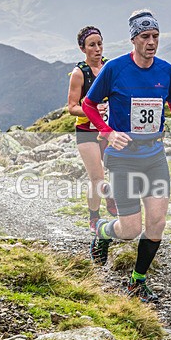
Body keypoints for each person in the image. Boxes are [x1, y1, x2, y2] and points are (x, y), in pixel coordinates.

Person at [84, 9, 171, 303]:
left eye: (155, 36)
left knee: (157, 222)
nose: (151, 42)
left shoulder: (165, 70)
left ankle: (138, 280)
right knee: (130, 229)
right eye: (145, 36)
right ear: (133, 38)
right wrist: (108, 132)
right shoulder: (115, 69)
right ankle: (104, 233)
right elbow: (88, 104)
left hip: (154, 156)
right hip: (123, 158)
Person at [66, 25, 118, 232]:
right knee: (97, 177)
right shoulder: (79, 74)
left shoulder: (110, 67)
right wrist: (93, 110)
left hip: (109, 128)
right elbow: (72, 107)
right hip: (87, 131)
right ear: (83, 49)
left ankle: (112, 197)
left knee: (116, 170)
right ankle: (94, 218)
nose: (97, 49)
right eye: (92, 45)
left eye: (100, 44)